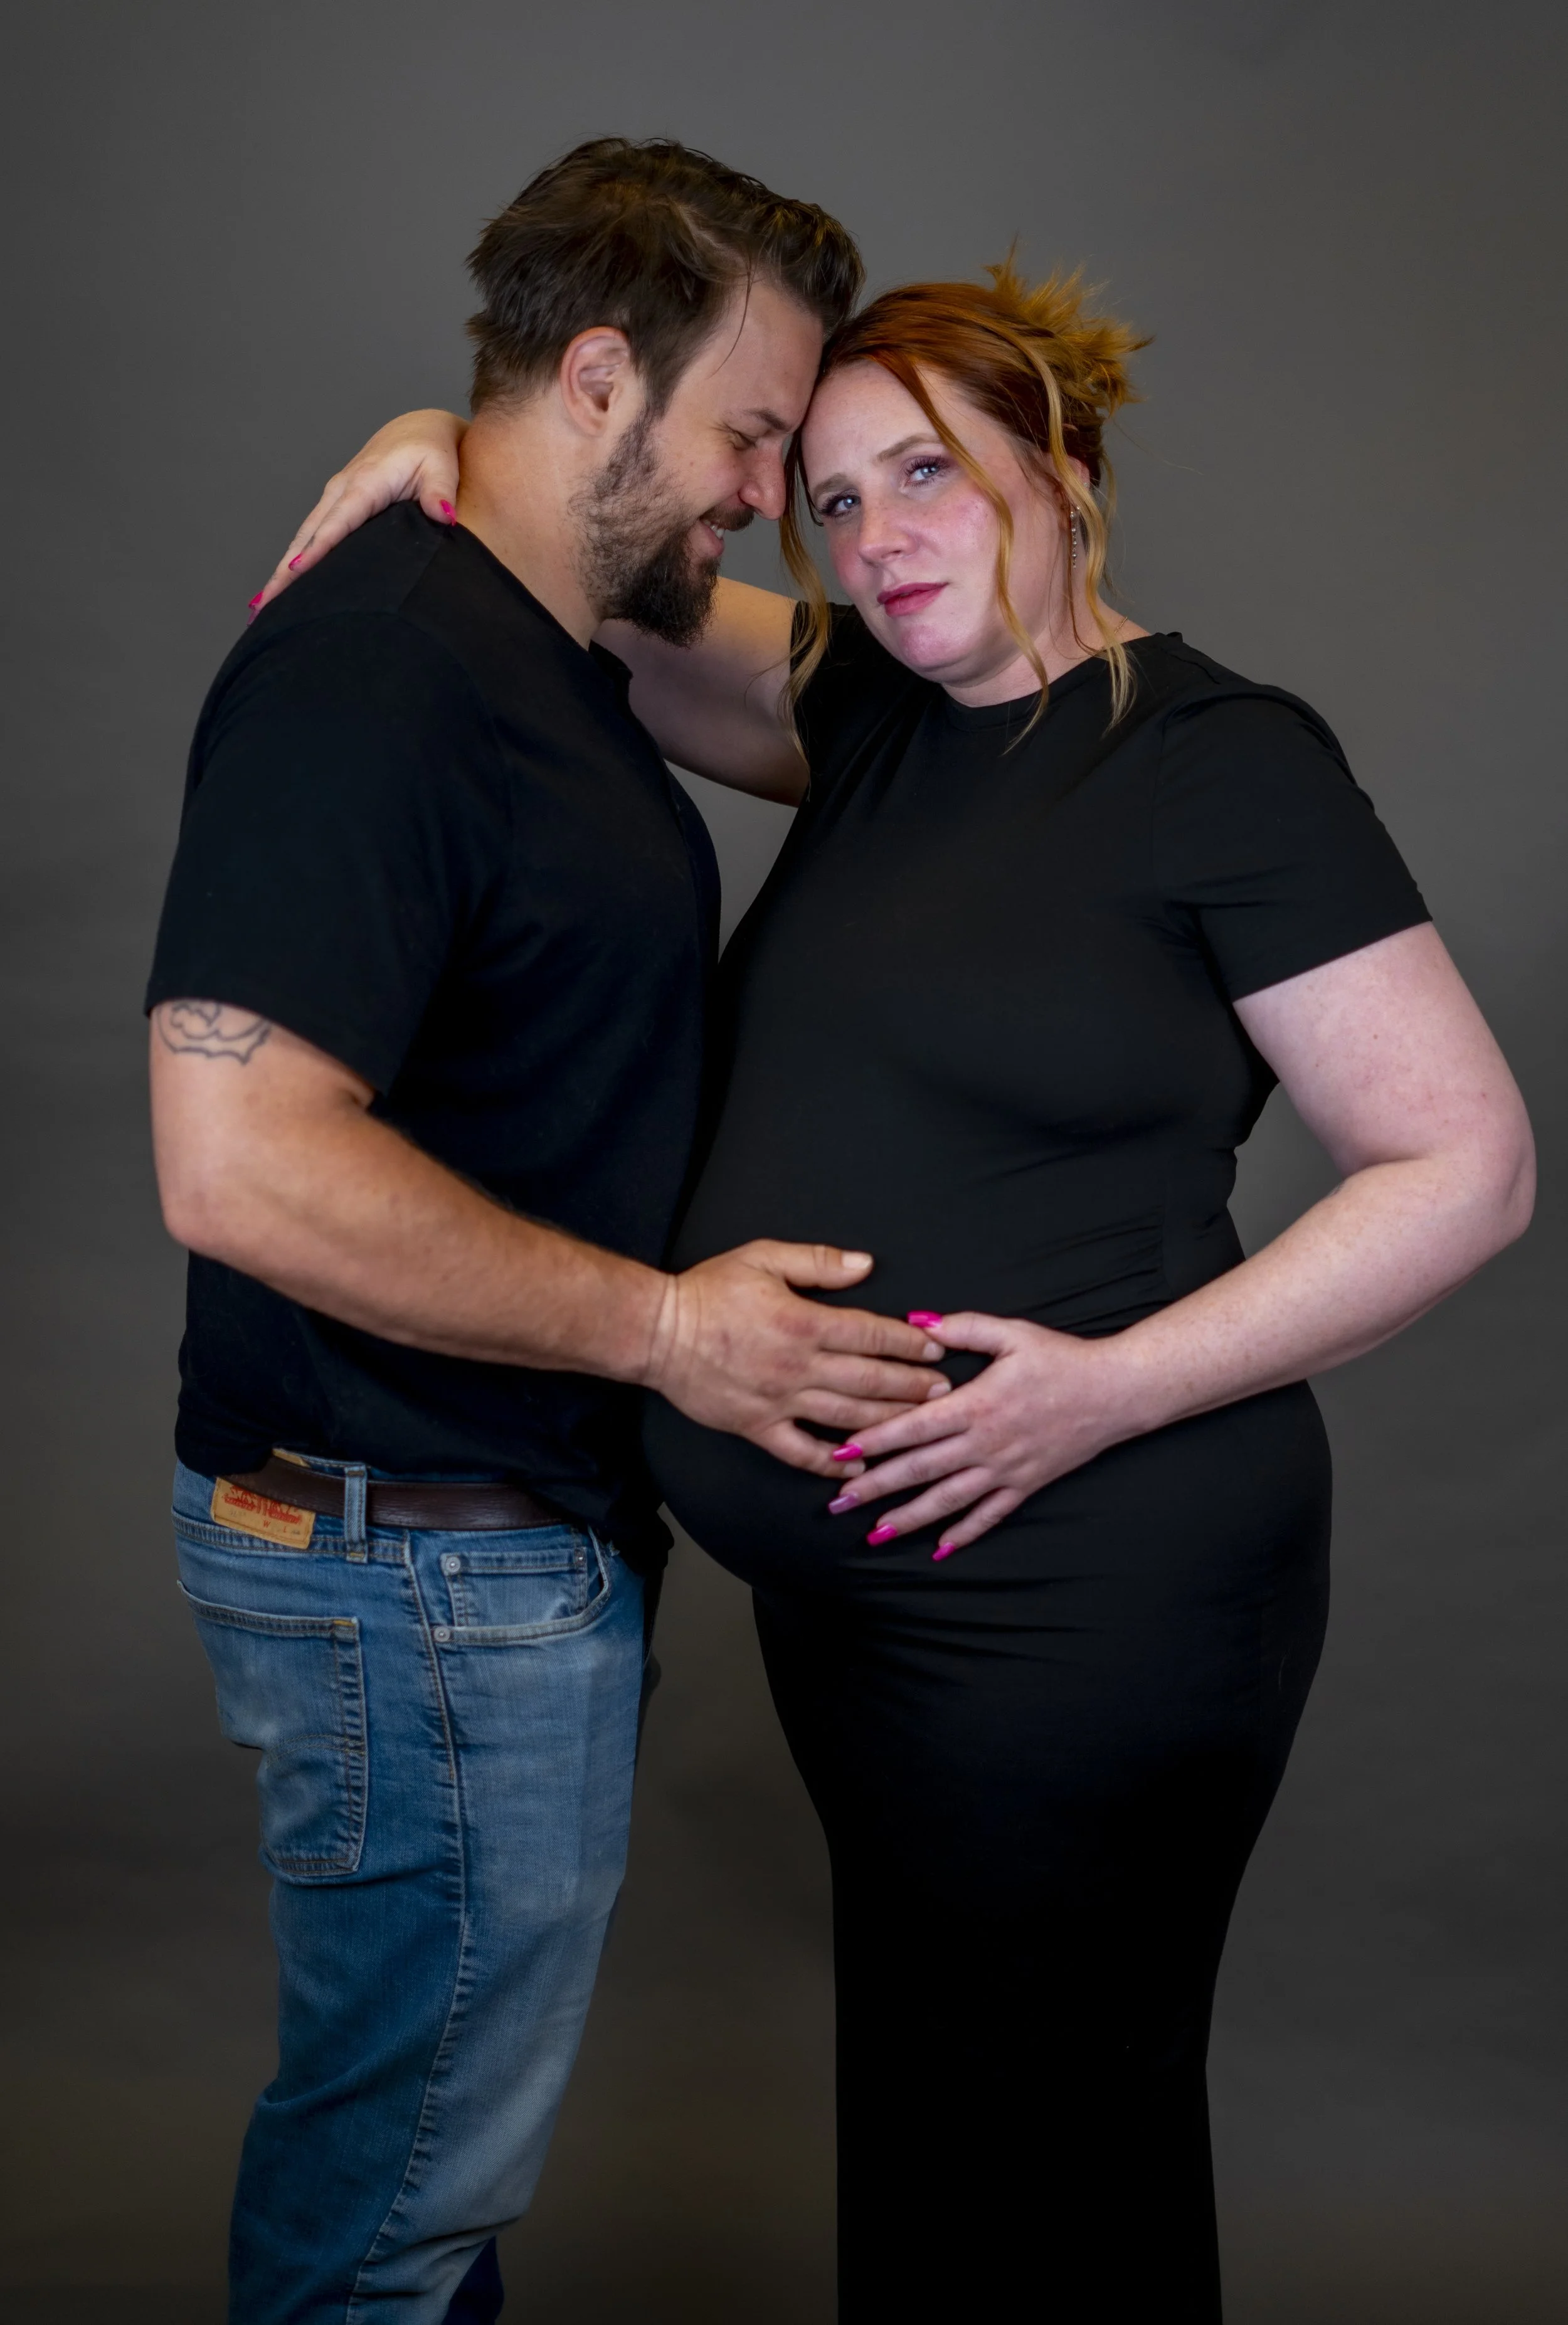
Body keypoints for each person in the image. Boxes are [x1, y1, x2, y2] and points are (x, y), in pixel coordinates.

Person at [263, 263, 1534, 2318]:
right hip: (872, 1599)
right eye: (831, 504)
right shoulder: (865, 708)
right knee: (951, 2125)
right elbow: (557, 586)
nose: (875, 538)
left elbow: (1463, 1166)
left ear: (1062, 463)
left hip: (1087, 1570)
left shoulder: (1216, 762)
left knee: (1050, 2138)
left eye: (926, 474)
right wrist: (442, 454)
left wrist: (1105, 1390)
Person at [145, 138, 955, 2325]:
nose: (770, 501)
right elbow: (241, 1161)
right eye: (752, 439)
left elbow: (919, 697)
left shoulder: (549, 632)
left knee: (415, 2198)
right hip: (411, 1556)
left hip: (475, 1555)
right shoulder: (384, 668)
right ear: (598, 376)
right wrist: (671, 1339)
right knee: (389, 2223)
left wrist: (440, 439)